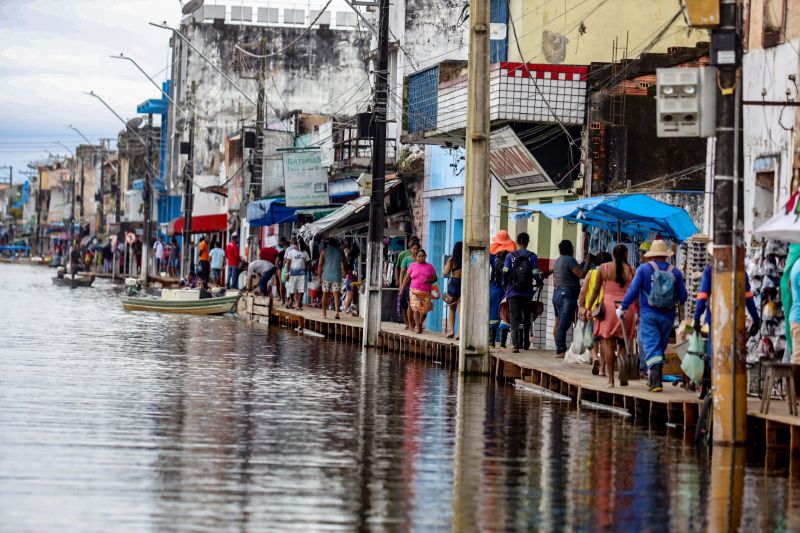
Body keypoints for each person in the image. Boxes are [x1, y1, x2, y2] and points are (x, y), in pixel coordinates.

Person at [619, 239, 688, 392]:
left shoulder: (643, 269)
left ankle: (656, 382)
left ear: (651, 254)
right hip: (668, 317)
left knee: (651, 346)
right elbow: (683, 297)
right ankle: (654, 378)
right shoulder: (675, 272)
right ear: (666, 255)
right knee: (660, 347)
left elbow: (633, 290)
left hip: (648, 314)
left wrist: (623, 307)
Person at [693, 242, 761, 398]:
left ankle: (713, 388)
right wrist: (756, 319)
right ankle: (727, 389)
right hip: (735, 321)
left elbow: (702, 296)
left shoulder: (710, 271)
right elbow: (748, 299)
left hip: (715, 320)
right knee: (732, 355)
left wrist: (697, 318)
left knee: (714, 353)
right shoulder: (741, 273)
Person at [587, 245, 636, 388]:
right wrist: (638, 312)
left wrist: (589, 307)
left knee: (608, 343)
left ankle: (611, 380)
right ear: (626, 254)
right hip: (626, 309)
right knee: (623, 343)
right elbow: (636, 293)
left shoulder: (604, 268)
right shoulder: (631, 270)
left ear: (613, 255)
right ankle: (623, 373)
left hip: (609, 309)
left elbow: (596, 290)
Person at [502, 232, 540, 353]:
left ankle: (515, 345)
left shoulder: (509, 256)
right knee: (527, 317)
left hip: (512, 292)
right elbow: (535, 274)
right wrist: (539, 282)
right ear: (527, 242)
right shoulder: (532, 256)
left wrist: (506, 287)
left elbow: (505, 272)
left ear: (517, 242)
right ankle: (526, 344)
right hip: (527, 292)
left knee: (514, 318)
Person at [553, 239, 588, 358]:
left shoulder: (558, 261)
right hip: (567, 294)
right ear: (570, 249)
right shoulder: (569, 260)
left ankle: (558, 348)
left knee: (558, 322)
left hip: (557, 293)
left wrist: (583, 263)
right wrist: (588, 263)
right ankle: (560, 350)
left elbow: (556, 280)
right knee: (563, 324)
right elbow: (581, 274)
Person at [578, 251, 612, 375]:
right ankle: (602, 369)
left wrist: (582, 306)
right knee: (603, 339)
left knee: (593, 337)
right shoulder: (611, 274)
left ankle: (594, 357)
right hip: (607, 310)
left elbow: (583, 292)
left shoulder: (591, 273)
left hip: (593, 310)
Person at [401, 249, 437, 334]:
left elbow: (435, 278)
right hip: (414, 291)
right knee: (415, 308)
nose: (421, 258)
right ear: (416, 257)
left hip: (426, 292)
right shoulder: (412, 265)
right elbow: (407, 278)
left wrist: (429, 281)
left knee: (424, 311)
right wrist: (402, 290)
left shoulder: (430, 267)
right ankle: (417, 326)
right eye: (419, 256)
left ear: (425, 256)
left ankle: (420, 323)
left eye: (422, 256)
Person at [318, 238, 347, 320]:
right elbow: (345, 263)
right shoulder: (340, 251)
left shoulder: (324, 251)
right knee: (336, 295)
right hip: (336, 276)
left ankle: (324, 314)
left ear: (328, 244)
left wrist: (319, 277)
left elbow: (320, 265)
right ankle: (337, 312)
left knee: (325, 294)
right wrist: (345, 272)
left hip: (326, 276)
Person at [490, 250, 511, 349]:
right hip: (507, 291)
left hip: (494, 290)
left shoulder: (493, 259)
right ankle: (503, 343)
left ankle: (491, 342)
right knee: (505, 315)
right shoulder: (511, 259)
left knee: (493, 316)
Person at [443, 241, 462, 339]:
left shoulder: (452, 260)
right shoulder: (467, 259)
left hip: (453, 283)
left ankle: (451, 331)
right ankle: (460, 333)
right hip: (463, 284)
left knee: (451, 308)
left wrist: (447, 264)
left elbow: (444, 273)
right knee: (460, 310)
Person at [399, 241, 421, 330]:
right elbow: (402, 273)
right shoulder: (406, 259)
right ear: (410, 250)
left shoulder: (420, 260)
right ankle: (410, 324)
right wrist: (401, 285)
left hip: (418, 285)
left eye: (417, 249)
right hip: (407, 284)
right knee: (409, 303)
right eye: (414, 249)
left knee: (417, 305)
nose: (415, 251)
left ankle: (416, 324)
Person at [284, 237, 310, 310]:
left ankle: (299, 303)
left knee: (301, 289)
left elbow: (308, 263)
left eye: (295, 244)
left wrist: (307, 271)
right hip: (292, 274)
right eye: (294, 244)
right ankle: (292, 300)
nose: (294, 245)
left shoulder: (305, 253)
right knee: (292, 289)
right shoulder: (291, 252)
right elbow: (288, 263)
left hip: (302, 274)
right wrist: (287, 273)